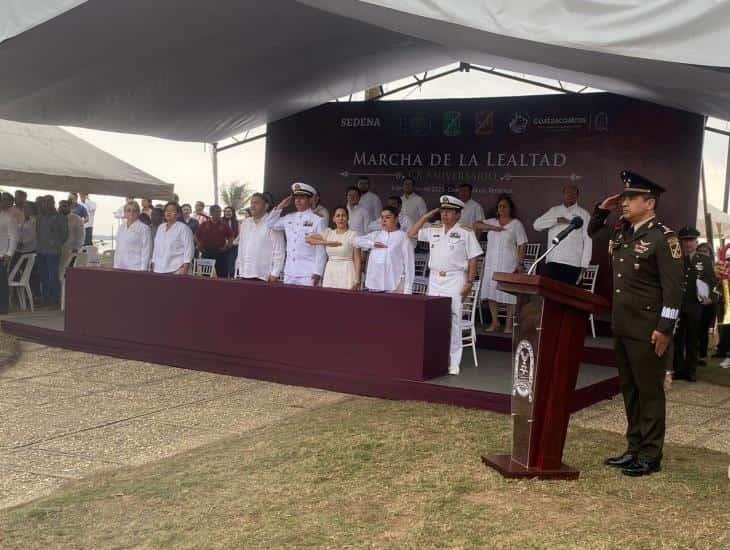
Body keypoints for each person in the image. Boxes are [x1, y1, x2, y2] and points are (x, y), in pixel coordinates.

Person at [588, 170, 684, 477]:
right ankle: (633, 448)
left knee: (650, 392)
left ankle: (650, 455)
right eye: (624, 197)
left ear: (650, 202)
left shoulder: (663, 238)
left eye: (631, 198)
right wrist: (603, 208)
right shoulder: (622, 233)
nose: (625, 203)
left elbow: (674, 290)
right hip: (623, 326)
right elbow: (593, 231)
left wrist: (665, 330)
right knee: (630, 390)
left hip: (648, 329)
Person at [409, 196, 483, 375]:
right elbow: (411, 234)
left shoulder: (466, 232)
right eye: (442, 211)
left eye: (449, 212)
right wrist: (426, 217)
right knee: (433, 319)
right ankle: (435, 358)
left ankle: (454, 362)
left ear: (458, 214)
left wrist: (469, 282)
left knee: (455, 319)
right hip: (434, 279)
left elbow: (474, 258)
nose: (444, 214)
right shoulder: (433, 229)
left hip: (455, 278)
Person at [474, 194, 527, 333]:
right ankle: (495, 322)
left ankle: (509, 324)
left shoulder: (516, 224)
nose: (502, 209)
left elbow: (522, 244)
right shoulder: (492, 222)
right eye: (500, 206)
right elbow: (475, 225)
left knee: (509, 294)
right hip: (492, 263)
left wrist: (520, 263)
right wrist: (493, 228)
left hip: (509, 263)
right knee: (492, 292)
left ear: (510, 208)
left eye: (505, 206)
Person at [673, 226, 715, 382]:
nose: (688, 243)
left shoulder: (704, 260)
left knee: (692, 339)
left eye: (691, 240)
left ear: (696, 242)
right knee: (677, 339)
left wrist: (710, 297)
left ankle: (690, 371)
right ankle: (677, 369)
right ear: (681, 242)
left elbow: (712, 281)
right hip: (677, 305)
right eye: (685, 240)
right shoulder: (675, 259)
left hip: (695, 305)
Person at [267, 183, 327, 286]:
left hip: (308, 272)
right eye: (296, 198)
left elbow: (321, 248)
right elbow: (270, 224)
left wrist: (318, 271)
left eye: (302, 198)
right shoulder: (289, 218)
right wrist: (281, 206)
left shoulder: (317, 220)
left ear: (310, 200)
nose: (298, 201)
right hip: (290, 271)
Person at [532, 183, 592, 285]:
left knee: (569, 297)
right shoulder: (554, 210)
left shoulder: (584, 214)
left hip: (573, 263)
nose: (570, 196)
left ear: (577, 196)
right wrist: (557, 220)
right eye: (567, 193)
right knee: (551, 295)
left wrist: (584, 264)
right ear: (563, 195)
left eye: (573, 193)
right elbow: (536, 225)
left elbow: (588, 240)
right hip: (554, 260)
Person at [354, 206, 414, 293]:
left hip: (394, 284)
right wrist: (373, 244)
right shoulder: (376, 235)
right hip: (374, 284)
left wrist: (408, 289)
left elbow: (409, 264)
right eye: (382, 217)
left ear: (396, 219)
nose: (384, 220)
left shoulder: (403, 237)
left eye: (388, 217)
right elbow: (355, 241)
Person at [306, 206, 361, 290]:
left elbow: (357, 259)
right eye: (338, 216)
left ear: (348, 218)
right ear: (333, 219)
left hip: (347, 270)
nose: (341, 218)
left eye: (343, 215)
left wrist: (357, 279)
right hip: (330, 270)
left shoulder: (353, 234)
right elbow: (308, 239)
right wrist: (327, 242)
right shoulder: (328, 233)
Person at [236, 193, 285, 281]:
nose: (252, 206)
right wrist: (239, 267)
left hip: (263, 275)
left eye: (256, 203)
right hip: (245, 272)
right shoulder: (245, 223)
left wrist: (275, 273)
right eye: (251, 203)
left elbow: (279, 250)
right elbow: (241, 247)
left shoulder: (273, 223)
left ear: (266, 206)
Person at [36, 196, 68, 306]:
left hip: (53, 252)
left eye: (47, 203)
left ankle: (55, 300)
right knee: (43, 276)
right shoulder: (40, 217)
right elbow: (37, 232)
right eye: (43, 203)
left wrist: (55, 243)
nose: (44, 205)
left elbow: (65, 235)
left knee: (52, 276)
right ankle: (45, 299)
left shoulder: (60, 217)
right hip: (40, 250)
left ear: (52, 203)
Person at [150, 202, 195, 275]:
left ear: (178, 214)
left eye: (172, 210)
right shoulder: (161, 227)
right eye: (167, 210)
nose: (168, 212)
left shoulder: (183, 228)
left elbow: (189, 249)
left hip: (177, 269)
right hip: (159, 268)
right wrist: (153, 261)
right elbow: (156, 247)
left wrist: (185, 267)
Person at [195, 204, 234, 278]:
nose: (219, 214)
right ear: (211, 213)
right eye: (216, 212)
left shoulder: (224, 224)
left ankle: (222, 288)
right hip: (206, 252)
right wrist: (199, 246)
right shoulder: (204, 224)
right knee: (205, 275)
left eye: (219, 212)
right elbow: (196, 236)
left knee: (222, 275)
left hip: (220, 252)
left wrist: (227, 247)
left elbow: (231, 236)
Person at [114, 200, 152, 271]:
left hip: (136, 268)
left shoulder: (144, 228)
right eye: (128, 210)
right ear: (125, 213)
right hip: (120, 266)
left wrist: (143, 271)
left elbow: (146, 252)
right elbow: (118, 249)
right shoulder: (121, 227)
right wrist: (115, 266)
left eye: (134, 210)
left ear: (138, 212)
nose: (131, 213)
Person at [696, 242, 716, 364]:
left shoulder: (715, 268)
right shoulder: (693, 266)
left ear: (710, 254)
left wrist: (710, 298)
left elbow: (716, 287)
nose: (703, 253)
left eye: (705, 251)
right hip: (695, 302)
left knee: (703, 329)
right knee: (694, 329)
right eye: (700, 251)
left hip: (708, 303)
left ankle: (702, 355)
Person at [0, 193, 19, 314]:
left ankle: (3, 307)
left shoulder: (8, 218)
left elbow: (14, 237)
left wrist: (9, 253)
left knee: (1, 282)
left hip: (2, 254)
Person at [58, 200, 84, 281]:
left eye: (64, 206)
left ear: (70, 207)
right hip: (56, 250)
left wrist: (76, 249)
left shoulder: (76, 219)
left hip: (69, 250)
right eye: (60, 206)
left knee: (64, 273)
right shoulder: (55, 218)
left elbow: (80, 235)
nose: (62, 208)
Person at [222, 206, 240, 277]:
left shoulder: (237, 222)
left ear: (233, 213)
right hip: (223, 247)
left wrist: (233, 242)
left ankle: (231, 279)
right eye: (226, 211)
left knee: (232, 264)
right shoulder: (221, 221)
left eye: (229, 211)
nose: (227, 213)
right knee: (223, 265)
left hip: (234, 246)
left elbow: (239, 234)